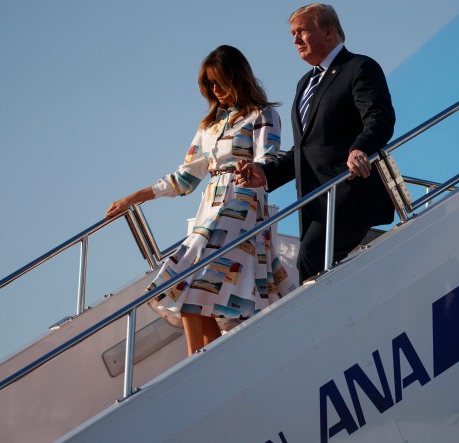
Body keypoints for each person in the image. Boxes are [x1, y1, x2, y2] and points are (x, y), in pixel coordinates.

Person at [105, 45, 295, 355]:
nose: (215, 90)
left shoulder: (263, 114)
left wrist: (251, 169)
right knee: (194, 296)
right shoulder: (208, 126)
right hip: (211, 207)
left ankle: (196, 362)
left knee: (188, 285)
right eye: (209, 84)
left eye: (219, 81)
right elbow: (184, 179)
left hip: (242, 204)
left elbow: (269, 160)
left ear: (237, 77)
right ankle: (207, 360)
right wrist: (135, 197)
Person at [237, 3, 396, 282]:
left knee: (310, 260)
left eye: (303, 31)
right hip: (314, 202)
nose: (296, 39)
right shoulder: (304, 84)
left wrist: (360, 147)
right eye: (293, 34)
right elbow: (304, 149)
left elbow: (379, 117)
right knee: (317, 267)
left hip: (349, 192)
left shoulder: (359, 67)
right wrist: (266, 173)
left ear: (329, 33)